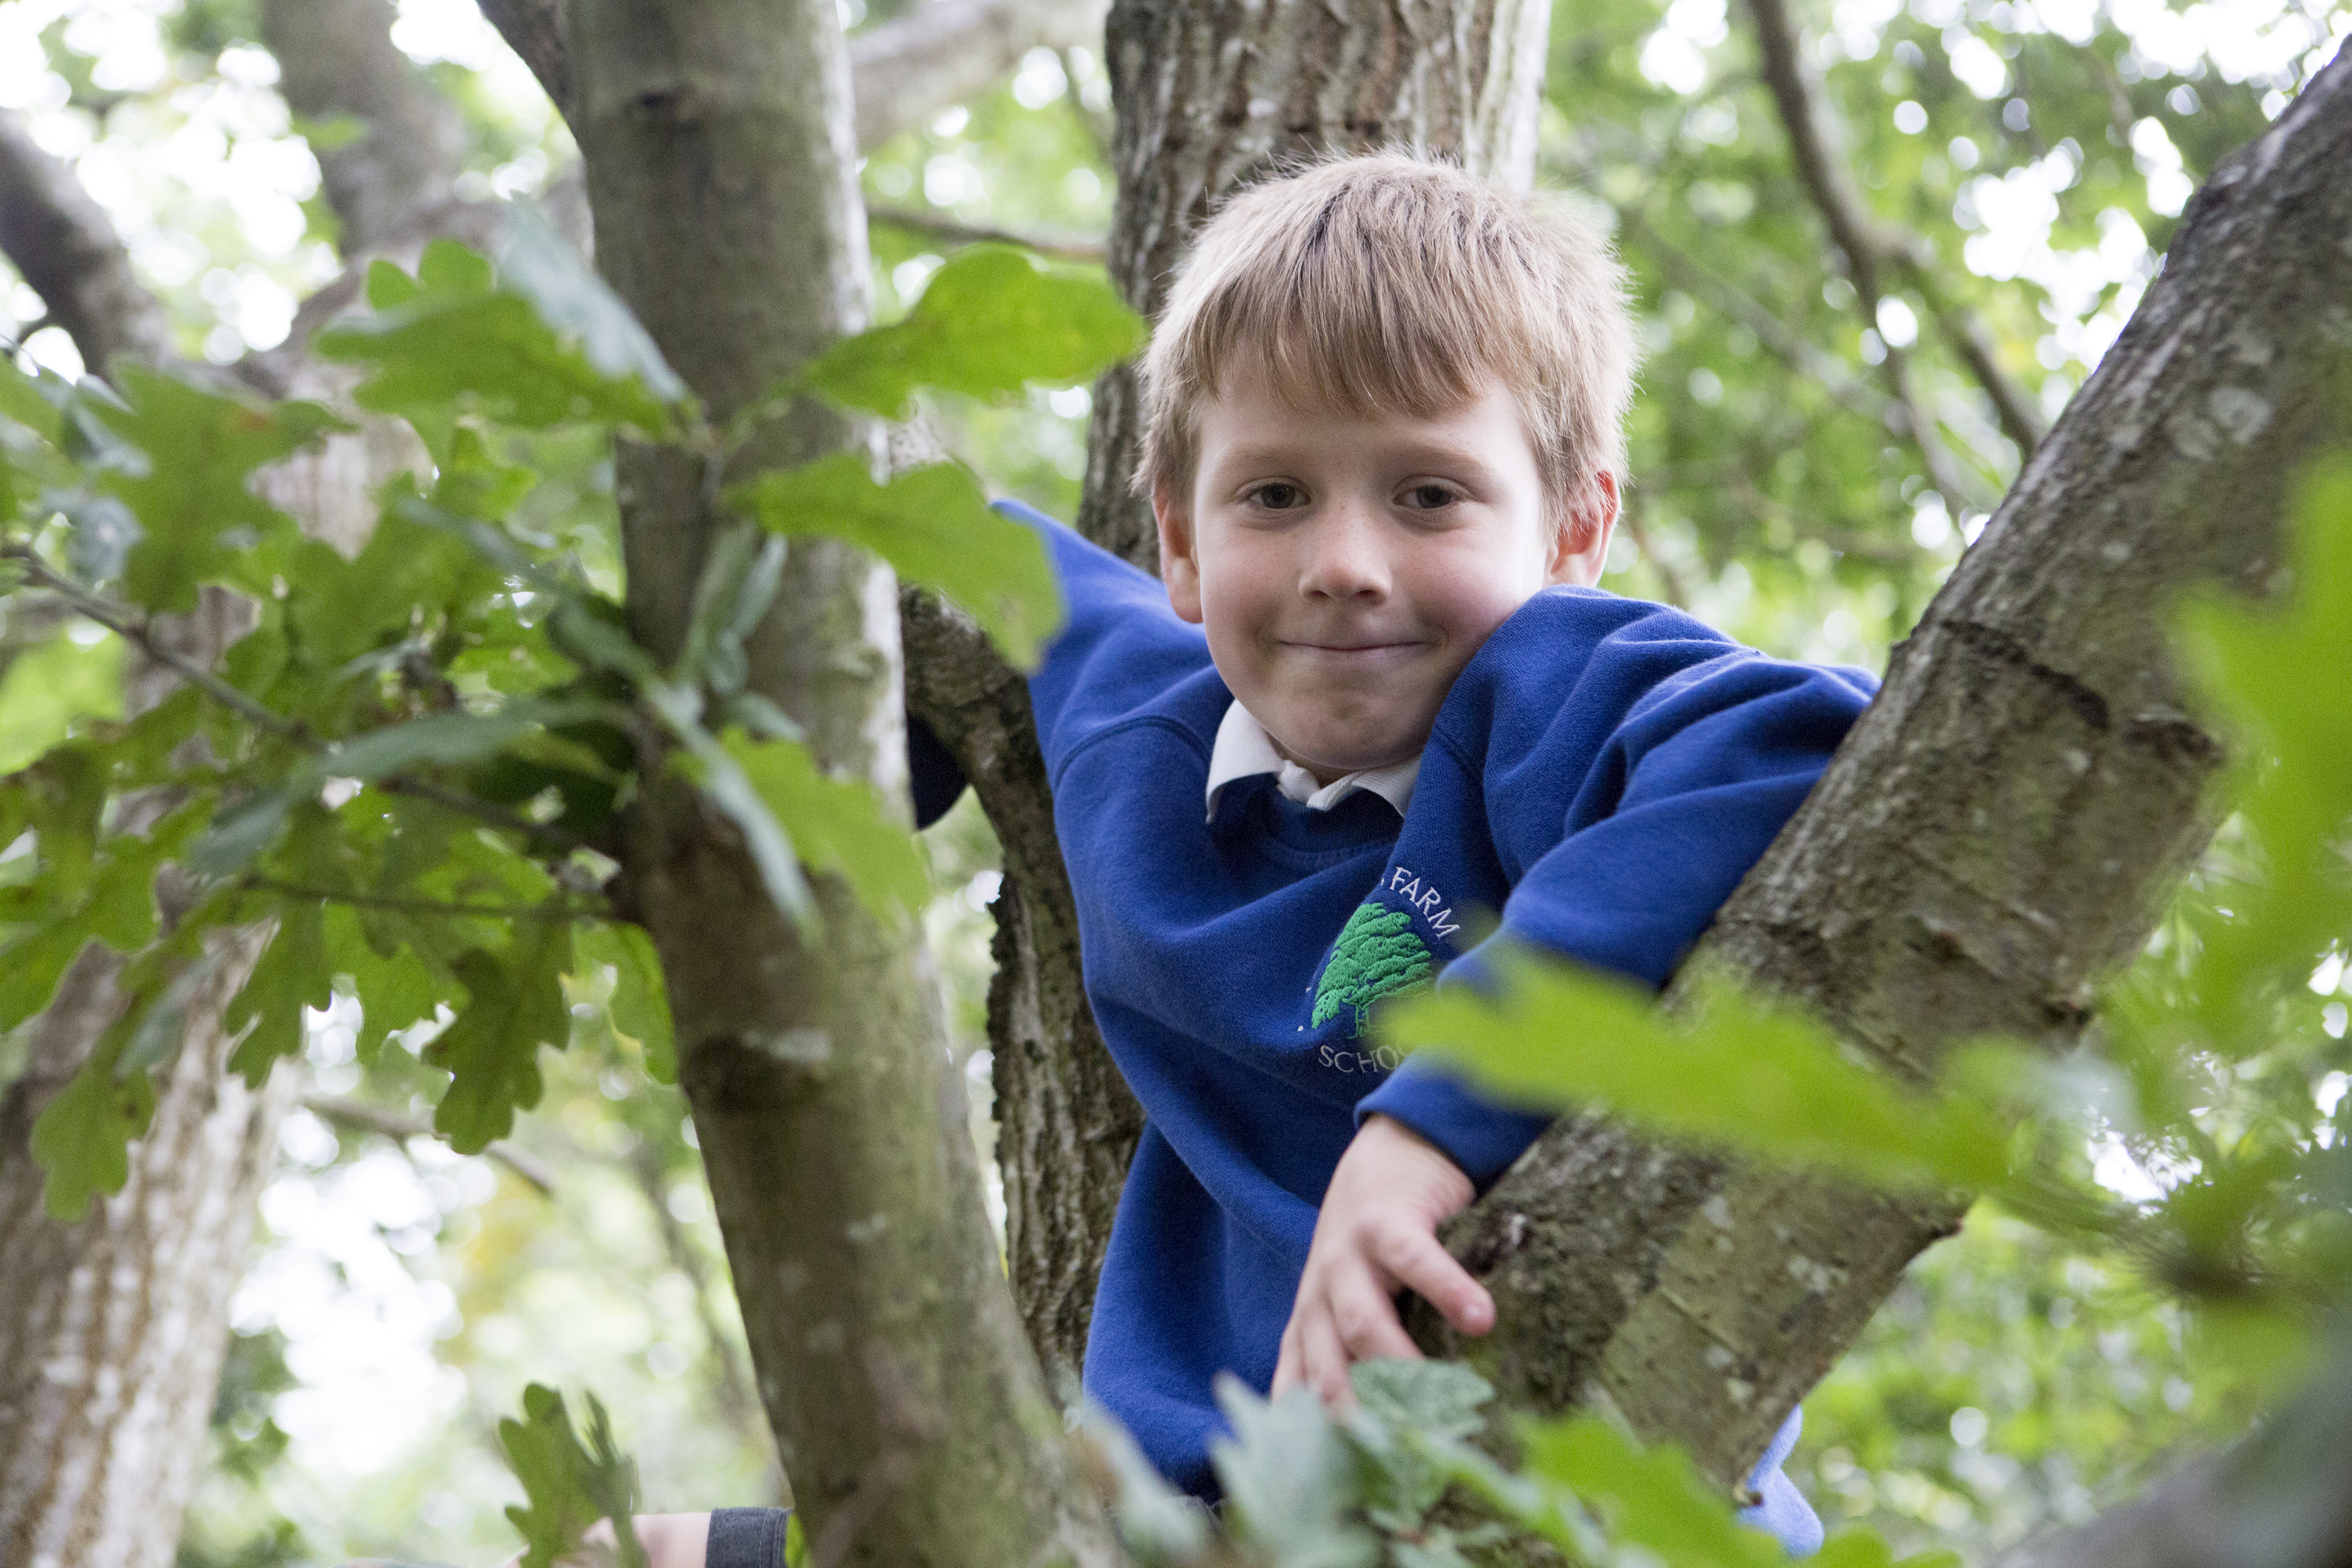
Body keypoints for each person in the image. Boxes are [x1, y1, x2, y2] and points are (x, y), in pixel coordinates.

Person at [616, 151, 1869, 1567]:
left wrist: (1424, 1132)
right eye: (1273, 495)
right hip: (1187, 1515)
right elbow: (948, 565)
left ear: (1574, 529)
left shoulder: (1552, 690)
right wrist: (832, 779)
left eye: (1430, 495)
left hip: (1595, 1498)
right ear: (1181, 538)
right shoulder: (1140, 720)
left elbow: (1798, 743)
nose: (1344, 559)